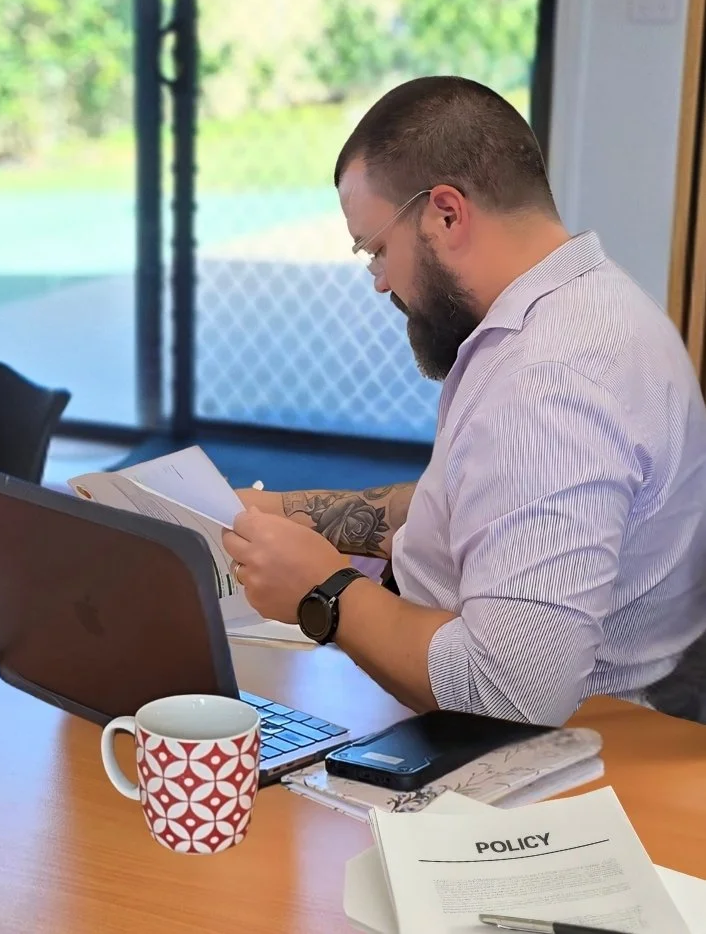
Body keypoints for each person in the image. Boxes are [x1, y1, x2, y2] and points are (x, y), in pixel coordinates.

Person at [224, 76, 706, 726]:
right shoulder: (584, 303)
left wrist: (325, 592)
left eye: (378, 249)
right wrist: (274, 514)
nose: (382, 282)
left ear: (446, 214)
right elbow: (468, 508)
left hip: (566, 754)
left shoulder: (547, 383)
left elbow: (510, 695)